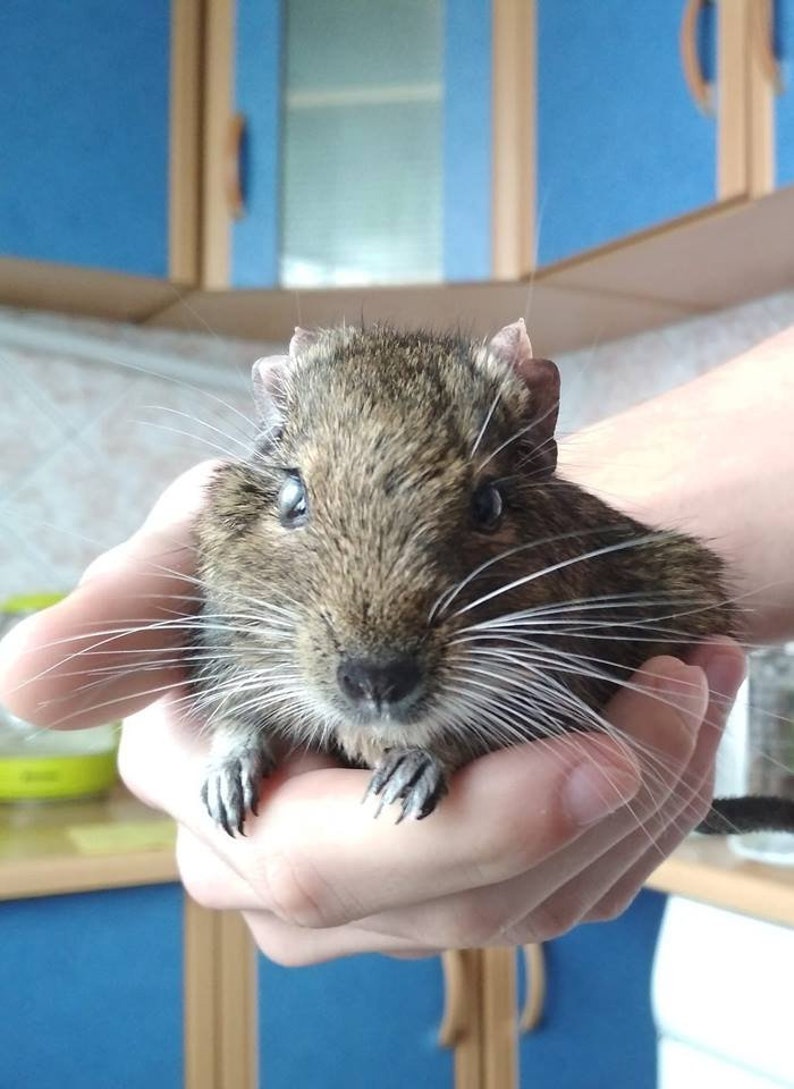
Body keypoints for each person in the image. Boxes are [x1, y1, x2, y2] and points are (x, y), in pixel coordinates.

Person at [1, 326, 791, 966]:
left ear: (531, 457)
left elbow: (578, 676)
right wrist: (240, 733)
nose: (375, 646)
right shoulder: (232, 543)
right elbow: (221, 662)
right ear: (268, 442)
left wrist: (449, 748)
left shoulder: (562, 580)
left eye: (484, 505)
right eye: (297, 503)